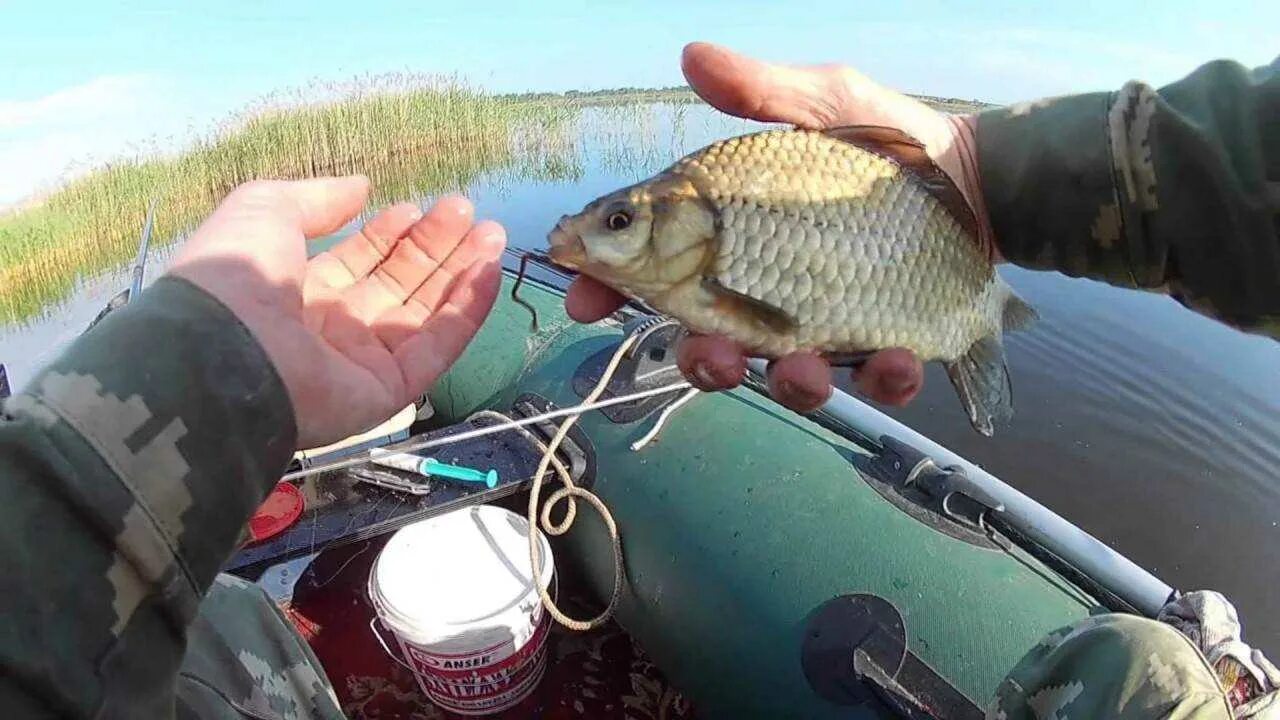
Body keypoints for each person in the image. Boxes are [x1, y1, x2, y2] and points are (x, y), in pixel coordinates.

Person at [0, 40, 1275, 719]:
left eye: (615, 226)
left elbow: (769, 310)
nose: (586, 240)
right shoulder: (705, 250)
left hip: (924, 265)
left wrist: (969, 182)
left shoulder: (730, 234)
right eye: (608, 226)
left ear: (675, 227)